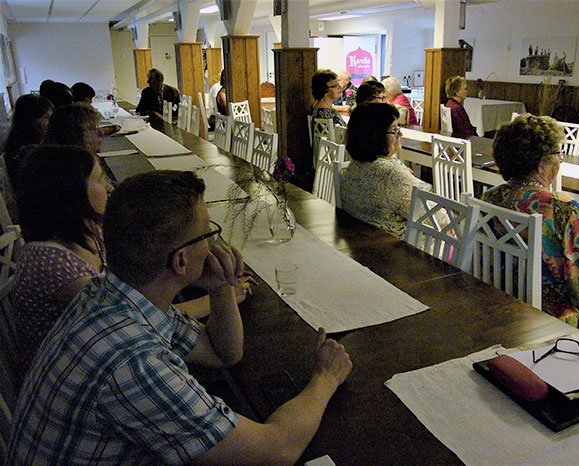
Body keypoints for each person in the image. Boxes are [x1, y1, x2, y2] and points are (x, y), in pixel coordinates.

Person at [8, 170, 352, 465]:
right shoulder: (134, 363)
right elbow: (276, 451)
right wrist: (325, 378)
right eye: (208, 234)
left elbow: (224, 353)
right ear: (181, 261)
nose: (215, 244)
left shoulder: (111, 295)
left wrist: (220, 288)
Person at [482, 114, 579, 327]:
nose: (560, 160)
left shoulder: (490, 197)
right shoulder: (563, 209)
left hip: (497, 302)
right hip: (546, 318)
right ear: (541, 164)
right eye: (558, 154)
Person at [11, 145, 112, 381]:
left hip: (91, 353)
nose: (108, 187)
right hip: (63, 377)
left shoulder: (87, 230)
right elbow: (129, 314)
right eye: (99, 179)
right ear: (71, 193)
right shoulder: (51, 264)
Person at [341, 102, 432, 238]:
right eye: (394, 130)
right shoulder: (390, 173)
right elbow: (435, 218)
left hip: (362, 239)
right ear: (375, 136)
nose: (400, 134)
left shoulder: (356, 164)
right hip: (399, 246)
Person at [3, 94, 54, 188]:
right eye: (45, 117)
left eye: (51, 117)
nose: (50, 122)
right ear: (29, 120)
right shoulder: (24, 153)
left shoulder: (40, 143)